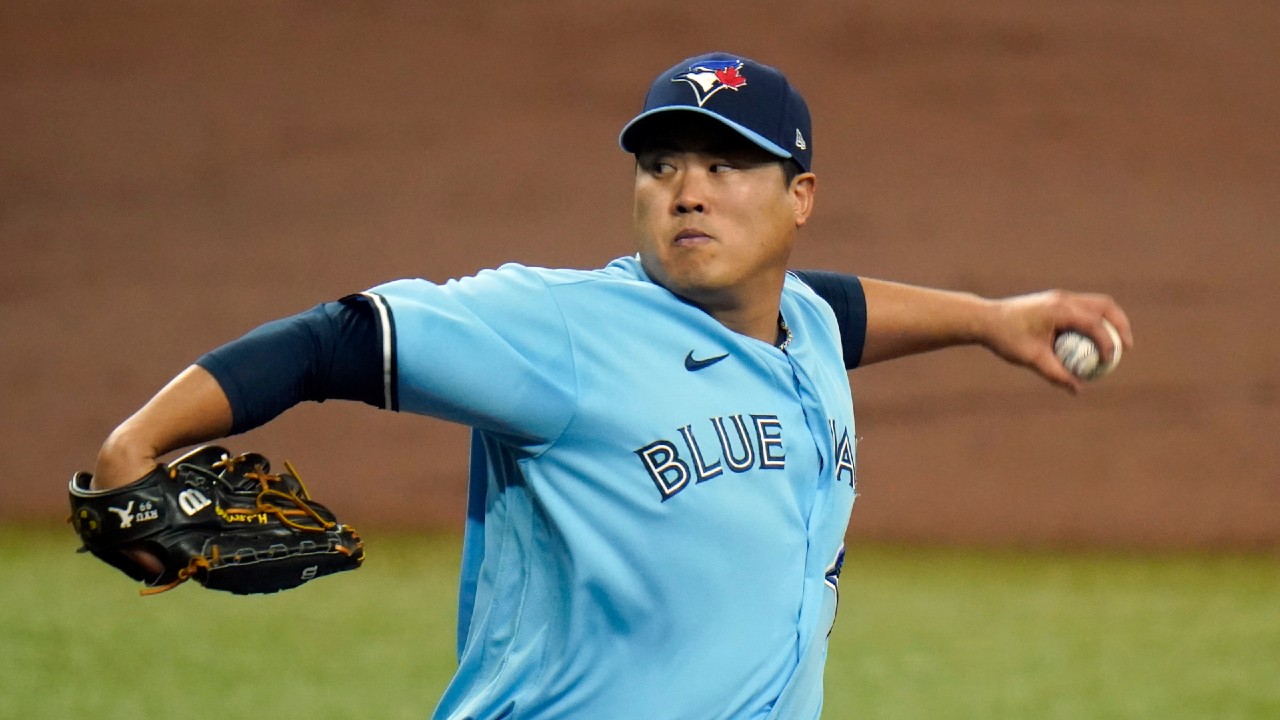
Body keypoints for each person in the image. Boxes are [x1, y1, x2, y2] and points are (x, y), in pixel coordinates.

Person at [87, 52, 1132, 719]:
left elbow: (836, 310)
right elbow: (336, 340)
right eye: (662, 164)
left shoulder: (799, 327)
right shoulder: (558, 331)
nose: (687, 191)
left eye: (726, 167)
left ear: (798, 196)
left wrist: (993, 321)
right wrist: (132, 451)